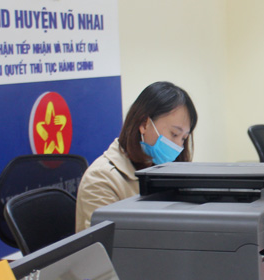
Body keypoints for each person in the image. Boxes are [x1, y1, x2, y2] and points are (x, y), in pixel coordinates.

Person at [75, 81, 197, 232]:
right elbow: (108, 243)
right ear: (144, 124)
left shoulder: (161, 170)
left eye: (184, 138)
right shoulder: (101, 179)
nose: (178, 145)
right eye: (174, 134)